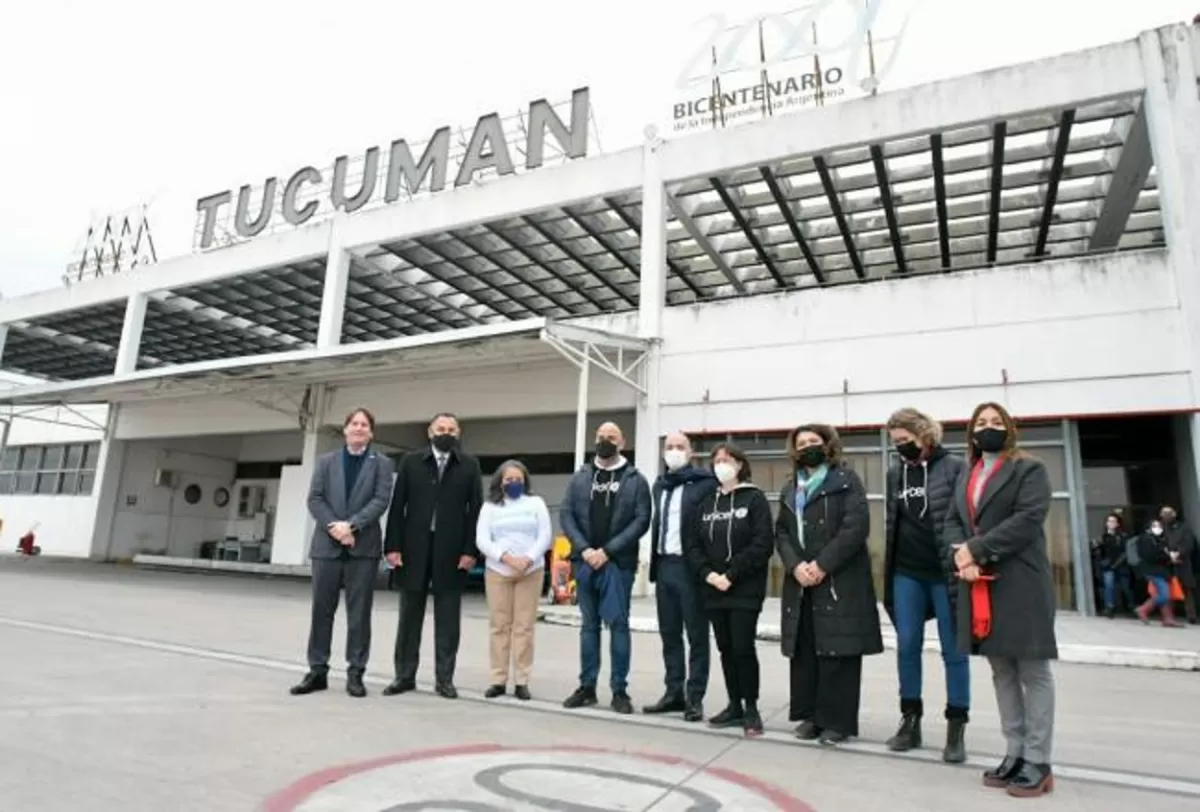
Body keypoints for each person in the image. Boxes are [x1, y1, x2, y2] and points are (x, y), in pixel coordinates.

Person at [943, 401, 1056, 798]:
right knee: (1001, 670)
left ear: (1009, 428)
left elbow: (1026, 520)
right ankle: (1014, 752)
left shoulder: (1030, 469)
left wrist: (975, 550)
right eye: (981, 423)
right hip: (979, 582)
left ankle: (1038, 760)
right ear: (971, 432)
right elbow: (952, 521)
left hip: (1020, 581)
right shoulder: (967, 473)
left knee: (1033, 671)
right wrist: (961, 556)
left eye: (996, 422)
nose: (988, 428)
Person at [775, 423, 883, 745]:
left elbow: (855, 527)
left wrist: (822, 565)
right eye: (802, 442)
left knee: (838, 651)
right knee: (806, 650)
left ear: (828, 445)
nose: (808, 445)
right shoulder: (789, 488)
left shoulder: (846, 481)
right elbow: (781, 532)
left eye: (814, 441)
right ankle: (810, 716)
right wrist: (795, 566)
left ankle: (837, 722)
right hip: (802, 582)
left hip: (838, 579)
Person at [881, 408, 970, 762]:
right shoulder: (894, 473)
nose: (901, 448)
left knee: (954, 650)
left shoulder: (954, 467)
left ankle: (956, 725)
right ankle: (910, 719)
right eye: (896, 443)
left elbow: (965, 517)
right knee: (907, 646)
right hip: (907, 571)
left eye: (905, 440)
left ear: (924, 434)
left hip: (944, 572)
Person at [291, 408, 394, 699]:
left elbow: (381, 499)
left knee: (359, 614)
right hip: (326, 547)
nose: (359, 428)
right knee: (321, 611)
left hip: (363, 549)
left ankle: (355, 673)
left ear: (371, 433)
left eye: (365, 425)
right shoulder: (326, 461)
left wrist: (352, 525)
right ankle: (317, 671)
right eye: (354, 423)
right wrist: (334, 527)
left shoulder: (382, 463)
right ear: (345, 429)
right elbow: (315, 498)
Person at [382, 413, 483, 700]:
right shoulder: (412, 462)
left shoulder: (469, 466)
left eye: (451, 429)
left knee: (448, 620)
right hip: (413, 550)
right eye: (441, 429)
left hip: (451, 552)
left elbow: (474, 510)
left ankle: (444, 679)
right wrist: (393, 546)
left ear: (458, 433)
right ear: (430, 432)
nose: (446, 433)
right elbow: (398, 506)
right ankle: (404, 676)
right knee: (409, 618)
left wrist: (469, 550)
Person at [560, 421, 651, 714]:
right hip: (585, 563)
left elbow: (641, 520)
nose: (605, 441)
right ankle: (587, 686)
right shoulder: (581, 477)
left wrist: (608, 551)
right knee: (589, 626)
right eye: (601, 437)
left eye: (611, 437)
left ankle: (619, 691)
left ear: (622, 441)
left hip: (618, 565)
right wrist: (585, 549)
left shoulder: (635, 479)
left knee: (619, 625)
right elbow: (567, 514)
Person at [684, 442, 773, 737]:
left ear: (740, 464)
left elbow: (762, 544)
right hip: (713, 589)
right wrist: (709, 575)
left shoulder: (754, 498)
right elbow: (693, 545)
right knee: (725, 649)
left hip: (743, 588)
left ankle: (751, 707)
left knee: (742, 647)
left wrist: (731, 574)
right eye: (716, 460)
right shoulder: (706, 503)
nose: (721, 464)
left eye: (727, 459)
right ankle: (734, 704)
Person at [644, 431, 717, 722]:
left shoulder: (704, 484)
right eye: (669, 447)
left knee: (697, 635)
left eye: (680, 447)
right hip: (664, 567)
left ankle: (694, 697)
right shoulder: (659, 486)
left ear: (691, 452)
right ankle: (673, 692)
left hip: (692, 569)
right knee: (669, 634)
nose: (674, 451)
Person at [474, 460, 552, 700]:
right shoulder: (490, 507)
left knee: (524, 627)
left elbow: (545, 535)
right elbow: (483, 540)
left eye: (518, 479)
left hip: (531, 571)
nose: (514, 483)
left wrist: (527, 559)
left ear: (525, 481)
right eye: (509, 480)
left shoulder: (535, 503)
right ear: (500, 482)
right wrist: (506, 558)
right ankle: (498, 679)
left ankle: (522, 680)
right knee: (499, 626)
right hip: (499, 572)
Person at [1135, 518, 1183, 627]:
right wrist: (1168, 556)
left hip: (1161, 571)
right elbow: (1149, 555)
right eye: (1155, 526)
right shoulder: (1146, 539)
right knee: (1164, 594)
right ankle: (1143, 609)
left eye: (1159, 526)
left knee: (1161, 593)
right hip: (1153, 571)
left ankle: (1168, 618)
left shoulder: (1158, 539)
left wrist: (1169, 556)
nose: (1158, 528)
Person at [1159, 506, 1197, 624]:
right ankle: (1169, 615)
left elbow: (1189, 543)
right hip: (1166, 563)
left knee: (1186, 589)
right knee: (1167, 589)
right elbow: (1158, 543)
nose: (1166, 515)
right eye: (1163, 513)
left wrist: (1179, 553)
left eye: (1169, 513)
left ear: (1174, 514)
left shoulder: (1183, 527)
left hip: (1183, 562)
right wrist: (1167, 554)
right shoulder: (1160, 528)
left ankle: (1191, 615)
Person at [1094, 512, 1134, 618]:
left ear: (1117, 524)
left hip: (1121, 565)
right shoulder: (1102, 537)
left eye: (1113, 521)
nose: (1111, 523)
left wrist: (1117, 563)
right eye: (1109, 521)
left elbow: (1125, 552)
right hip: (1108, 566)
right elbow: (1099, 553)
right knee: (1109, 586)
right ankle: (1109, 607)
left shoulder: (1123, 536)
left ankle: (1132, 606)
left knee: (1126, 588)